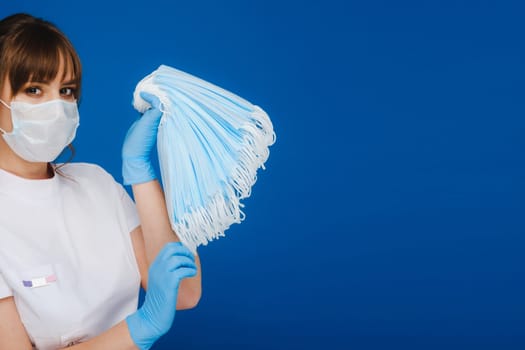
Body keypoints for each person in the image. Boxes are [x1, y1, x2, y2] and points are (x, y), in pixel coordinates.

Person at [0, 13, 202, 350]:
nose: (56, 106)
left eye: (66, 91)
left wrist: (140, 171)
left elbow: (185, 292)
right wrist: (142, 326)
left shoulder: (95, 183)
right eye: (34, 89)